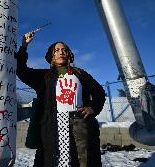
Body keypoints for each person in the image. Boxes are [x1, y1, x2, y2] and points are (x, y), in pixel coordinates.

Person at [16, 32, 106, 167]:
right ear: (52, 56)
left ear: (69, 54)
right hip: (53, 125)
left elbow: (99, 92)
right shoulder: (44, 76)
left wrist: (93, 107)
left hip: (80, 124)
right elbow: (21, 70)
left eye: (64, 50)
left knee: (83, 160)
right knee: (55, 161)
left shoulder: (80, 73)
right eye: (56, 50)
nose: (61, 52)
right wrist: (24, 46)